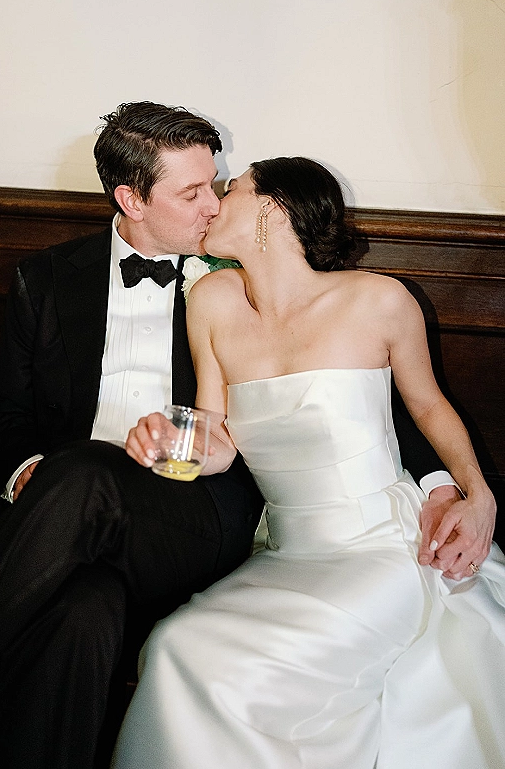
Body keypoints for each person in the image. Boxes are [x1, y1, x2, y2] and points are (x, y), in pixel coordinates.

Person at [114, 156, 505, 769]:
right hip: (287, 555)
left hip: (382, 548)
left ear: (271, 208)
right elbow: (216, 438)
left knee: (259, 670)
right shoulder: (211, 301)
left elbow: (430, 409)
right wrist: (169, 448)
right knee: (174, 646)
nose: (214, 201)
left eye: (231, 189)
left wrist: (477, 495)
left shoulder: (377, 300)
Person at [0, 102, 264, 769]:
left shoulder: (239, 282)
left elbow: (349, 383)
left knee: (80, 470)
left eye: (217, 185)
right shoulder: (46, 277)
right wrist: (30, 474)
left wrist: (443, 481)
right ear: (130, 198)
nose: (213, 208)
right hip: (65, 514)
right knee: (84, 616)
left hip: (189, 515)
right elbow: (6, 416)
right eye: (191, 192)